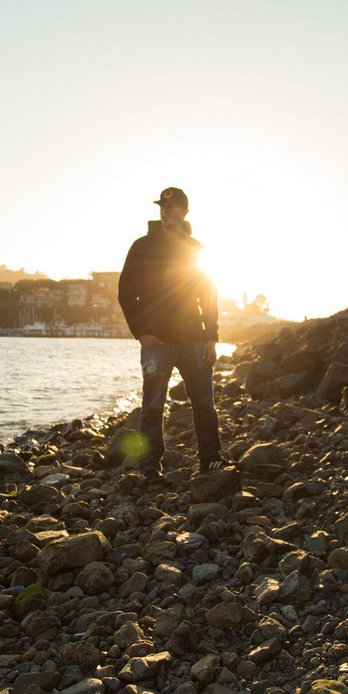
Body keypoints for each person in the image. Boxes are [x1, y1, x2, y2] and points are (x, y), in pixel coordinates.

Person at [118, 186, 224, 488]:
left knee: (204, 403)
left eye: (173, 208)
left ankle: (210, 458)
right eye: (162, 208)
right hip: (157, 344)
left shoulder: (195, 248)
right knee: (152, 406)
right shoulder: (141, 247)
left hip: (194, 339)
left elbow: (209, 294)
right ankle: (150, 468)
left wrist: (211, 336)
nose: (166, 213)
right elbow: (126, 292)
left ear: (184, 212)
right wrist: (141, 333)